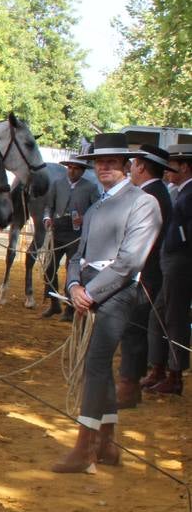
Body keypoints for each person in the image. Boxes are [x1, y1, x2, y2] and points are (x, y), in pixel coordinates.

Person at [54, 134, 161, 472]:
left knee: (95, 365)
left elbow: (130, 261)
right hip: (88, 294)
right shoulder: (97, 204)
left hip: (119, 293)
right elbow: (77, 254)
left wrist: (91, 292)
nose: (104, 167)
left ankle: (85, 449)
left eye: (112, 162)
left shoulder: (143, 203)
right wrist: (72, 284)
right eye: (99, 162)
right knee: (95, 364)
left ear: (127, 166)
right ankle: (108, 443)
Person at [116, 144, 173, 409]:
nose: (131, 169)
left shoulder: (150, 196)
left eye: (134, 164)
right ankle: (130, 381)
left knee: (133, 328)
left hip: (145, 272)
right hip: (147, 271)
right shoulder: (156, 192)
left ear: (140, 166)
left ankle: (128, 386)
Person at [142, 143, 192, 396]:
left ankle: (175, 375)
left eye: (173, 164)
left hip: (181, 263)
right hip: (172, 261)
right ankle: (159, 369)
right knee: (159, 316)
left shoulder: (190, 193)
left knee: (175, 319)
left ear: (184, 166)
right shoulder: (180, 192)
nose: (168, 169)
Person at [41, 157, 100, 320]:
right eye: (70, 168)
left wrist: (84, 218)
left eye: (76, 169)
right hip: (58, 229)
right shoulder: (58, 184)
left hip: (76, 234)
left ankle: (69, 308)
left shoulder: (90, 187)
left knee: (71, 270)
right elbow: (49, 206)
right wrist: (47, 218)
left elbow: (97, 209)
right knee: (49, 268)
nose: (72, 171)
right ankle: (54, 303)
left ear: (82, 171)